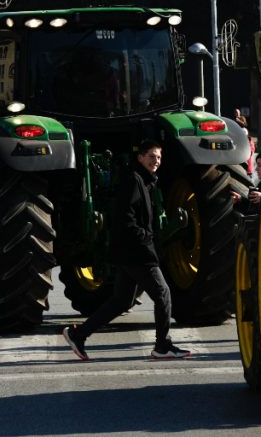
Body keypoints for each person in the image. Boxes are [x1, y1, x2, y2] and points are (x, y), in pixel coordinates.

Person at [63, 139, 190, 360]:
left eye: (159, 157)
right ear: (140, 157)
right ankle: (163, 346)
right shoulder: (134, 180)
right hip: (137, 251)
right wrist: (145, 240)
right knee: (163, 294)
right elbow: (125, 218)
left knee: (121, 301)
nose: (156, 161)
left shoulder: (144, 180)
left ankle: (78, 334)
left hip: (128, 251)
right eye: (151, 156)